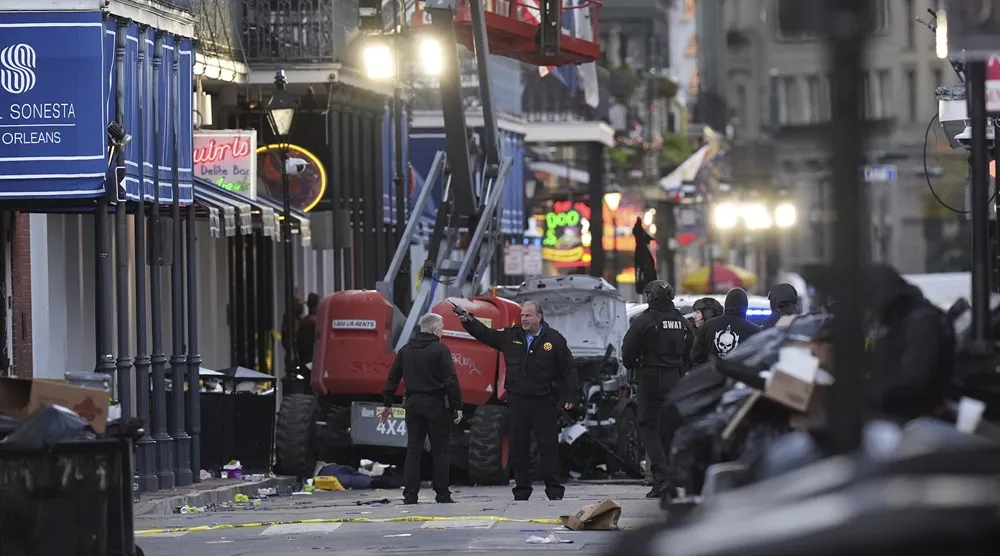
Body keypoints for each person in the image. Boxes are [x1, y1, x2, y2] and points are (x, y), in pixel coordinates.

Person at [456, 300, 579, 501]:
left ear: (539, 317)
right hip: (518, 401)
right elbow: (487, 335)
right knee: (518, 447)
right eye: (522, 315)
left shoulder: (554, 340)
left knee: (548, 447)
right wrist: (468, 321)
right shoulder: (512, 336)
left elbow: (569, 370)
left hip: (544, 402)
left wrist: (571, 396)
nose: (524, 319)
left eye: (528, 316)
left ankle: (554, 490)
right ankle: (522, 490)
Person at [622, 280, 695, 498]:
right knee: (669, 428)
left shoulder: (643, 321)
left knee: (648, 427)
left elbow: (627, 355)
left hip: (651, 379)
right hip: (675, 378)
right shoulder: (683, 322)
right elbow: (690, 354)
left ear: (651, 297)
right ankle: (673, 477)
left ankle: (661, 478)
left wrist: (638, 366)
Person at [380, 313, 463, 504]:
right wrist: (457, 406)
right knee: (440, 451)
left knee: (413, 450)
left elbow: (392, 378)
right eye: (441, 327)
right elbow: (451, 380)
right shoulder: (441, 350)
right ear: (434, 329)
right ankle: (442, 495)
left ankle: (410, 495)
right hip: (436, 405)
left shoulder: (406, 350)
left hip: (413, 405)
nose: (442, 331)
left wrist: (387, 404)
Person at [861, 264, 955, 422]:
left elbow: (910, 383)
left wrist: (863, 394)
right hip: (898, 413)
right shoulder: (898, 319)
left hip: (915, 417)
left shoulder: (921, 322)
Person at [691, 287, 761, 365]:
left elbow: (696, 356)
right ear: (745, 307)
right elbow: (760, 360)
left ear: (726, 304)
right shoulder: (755, 331)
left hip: (712, 374)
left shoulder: (708, 326)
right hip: (740, 376)